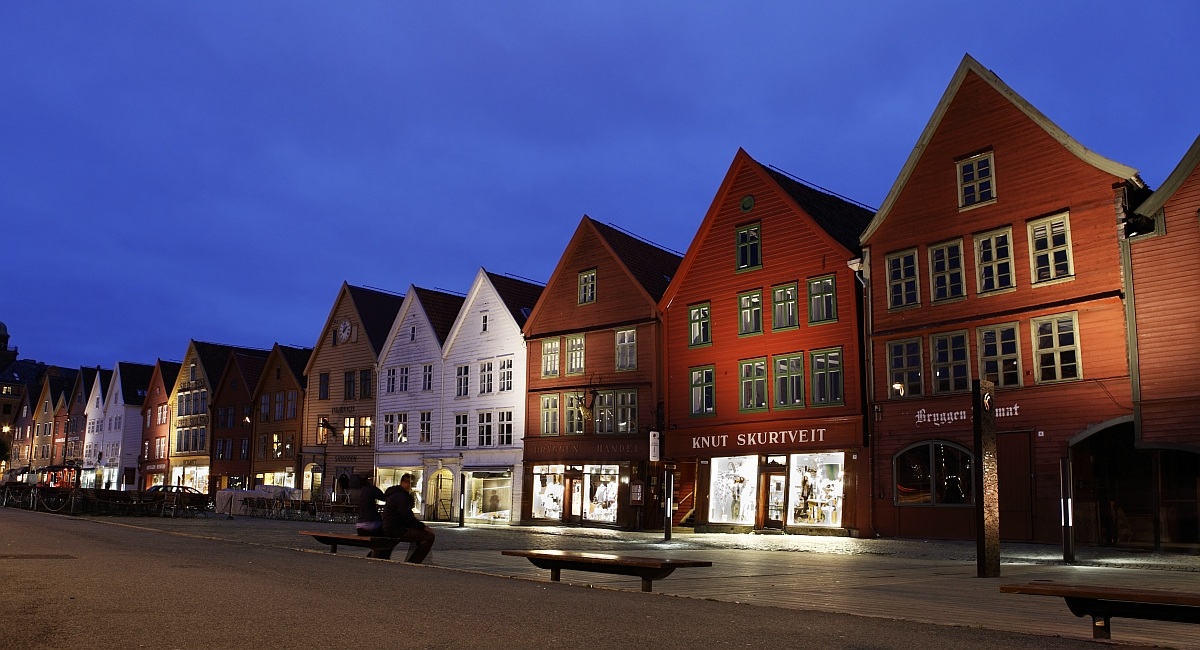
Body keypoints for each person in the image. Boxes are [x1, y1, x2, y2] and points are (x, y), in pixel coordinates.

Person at [382, 473, 435, 563]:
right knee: (428, 536)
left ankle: (412, 559)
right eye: (409, 483)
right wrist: (423, 527)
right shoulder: (401, 496)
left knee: (418, 534)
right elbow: (407, 516)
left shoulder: (395, 494)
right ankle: (413, 562)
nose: (410, 486)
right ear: (404, 483)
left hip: (391, 527)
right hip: (396, 529)